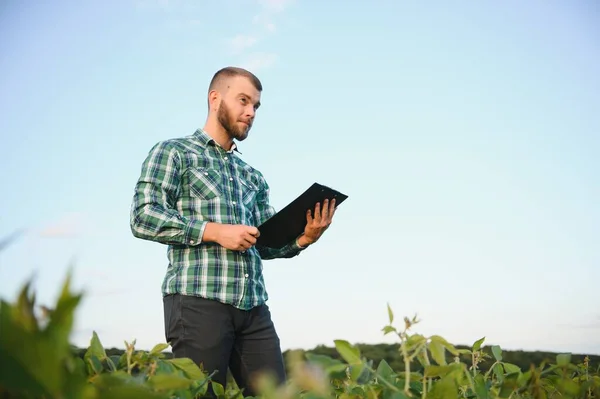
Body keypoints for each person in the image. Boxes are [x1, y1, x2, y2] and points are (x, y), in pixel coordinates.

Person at [129, 66, 337, 397]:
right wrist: (213, 231)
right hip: (198, 302)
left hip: (253, 307)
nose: (250, 112)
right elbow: (143, 216)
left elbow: (266, 244)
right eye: (243, 101)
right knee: (200, 394)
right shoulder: (175, 152)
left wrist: (303, 239)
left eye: (255, 106)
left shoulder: (252, 176)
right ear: (215, 99)